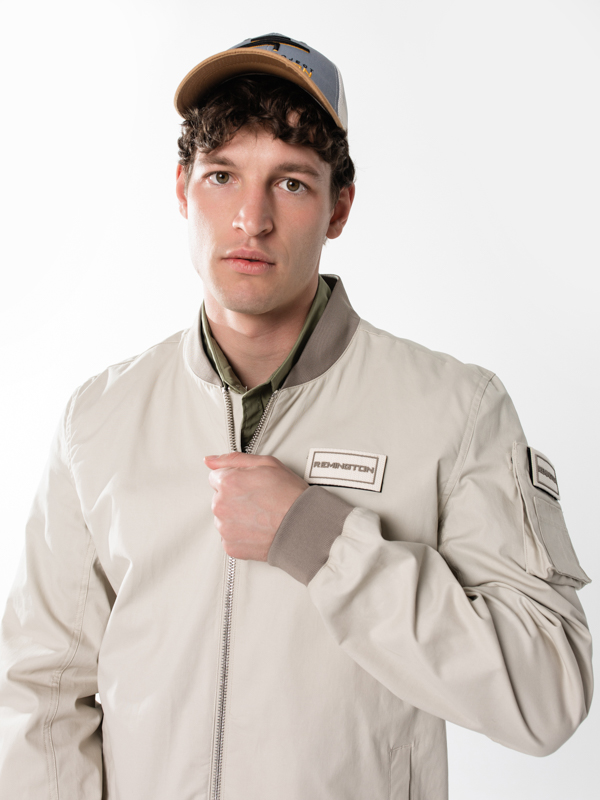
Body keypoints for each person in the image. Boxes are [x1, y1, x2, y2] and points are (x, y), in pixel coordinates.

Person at [0, 32, 593, 800]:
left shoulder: (457, 410)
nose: (251, 220)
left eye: (290, 183)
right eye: (222, 176)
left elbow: (547, 695)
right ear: (181, 188)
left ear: (339, 207)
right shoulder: (99, 419)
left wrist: (320, 540)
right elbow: (41, 693)